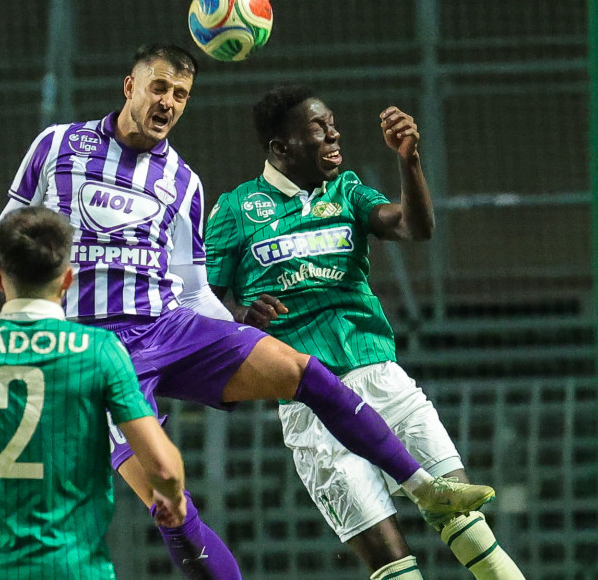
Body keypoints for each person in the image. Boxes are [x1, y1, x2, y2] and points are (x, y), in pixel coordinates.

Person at [0, 43, 496, 580]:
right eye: (159, 87)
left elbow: (190, 288)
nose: (168, 102)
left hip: (166, 325)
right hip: (96, 352)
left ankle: (424, 488)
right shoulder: (58, 144)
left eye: (181, 95)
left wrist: (235, 332)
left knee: (302, 371)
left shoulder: (183, 181)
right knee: (170, 502)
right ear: (129, 86)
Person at [205, 85, 525, 580]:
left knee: (469, 524)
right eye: (319, 128)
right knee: (394, 565)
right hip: (311, 403)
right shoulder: (235, 211)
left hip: (383, 382)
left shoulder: (348, 191)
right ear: (280, 148)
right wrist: (241, 318)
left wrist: (409, 160)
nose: (335, 134)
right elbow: (201, 305)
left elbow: (413, 228)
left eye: (333, 123)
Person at [0, 206, 187, 578]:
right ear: (67, 279)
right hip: (76, 568)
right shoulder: (100, 351)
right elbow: (163, 467)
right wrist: (170, 497)